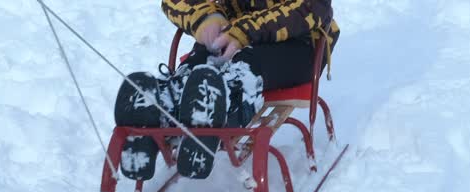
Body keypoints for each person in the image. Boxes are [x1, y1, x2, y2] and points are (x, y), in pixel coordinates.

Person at [115, 0, 339, 181]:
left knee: (247, 65)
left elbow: (314, 7)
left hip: (299, 42)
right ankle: (163, 108)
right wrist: (206, 18)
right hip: (233, 33)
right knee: (200, 65)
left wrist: (245, 31)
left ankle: (221, 112)